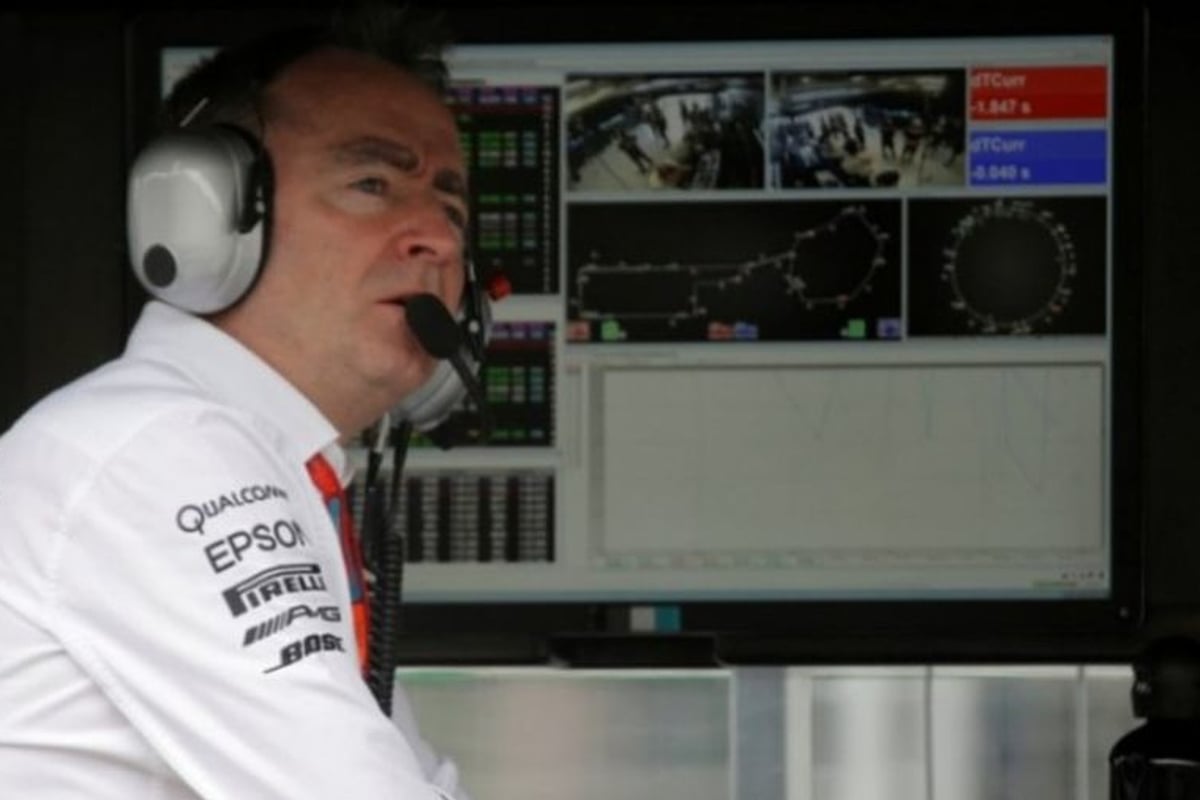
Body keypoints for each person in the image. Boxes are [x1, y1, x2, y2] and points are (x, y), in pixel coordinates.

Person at [0, 5, 476, 799]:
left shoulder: (258, 457)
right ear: (202, 215)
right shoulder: (161, 453)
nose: (441, 238)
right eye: (372, 184)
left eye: (451, 208)